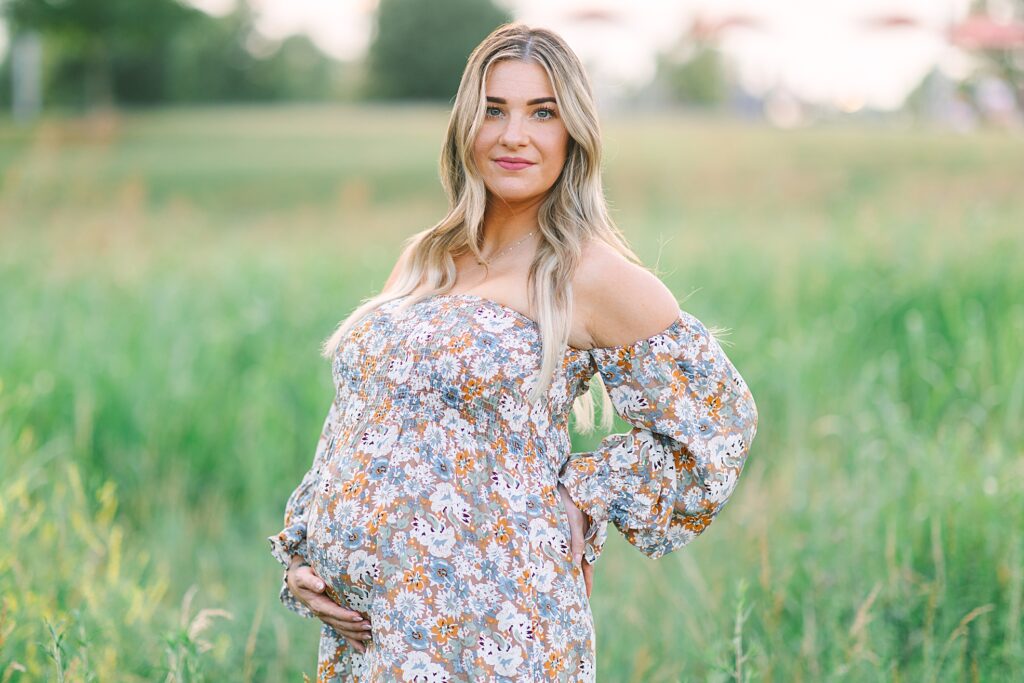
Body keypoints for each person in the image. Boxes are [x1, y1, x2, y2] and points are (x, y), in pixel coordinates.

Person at [268, 22, 758, 683]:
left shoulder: (587, 273)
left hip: (496, 626)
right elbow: (363, 414)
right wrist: (304, 551)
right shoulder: (428, 256)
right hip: (376, 635)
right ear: (465, 125)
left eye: (542, 112)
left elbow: (716, 423)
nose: (513, 135)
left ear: (573, 133)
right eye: (493, 109)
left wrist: (587, 493)